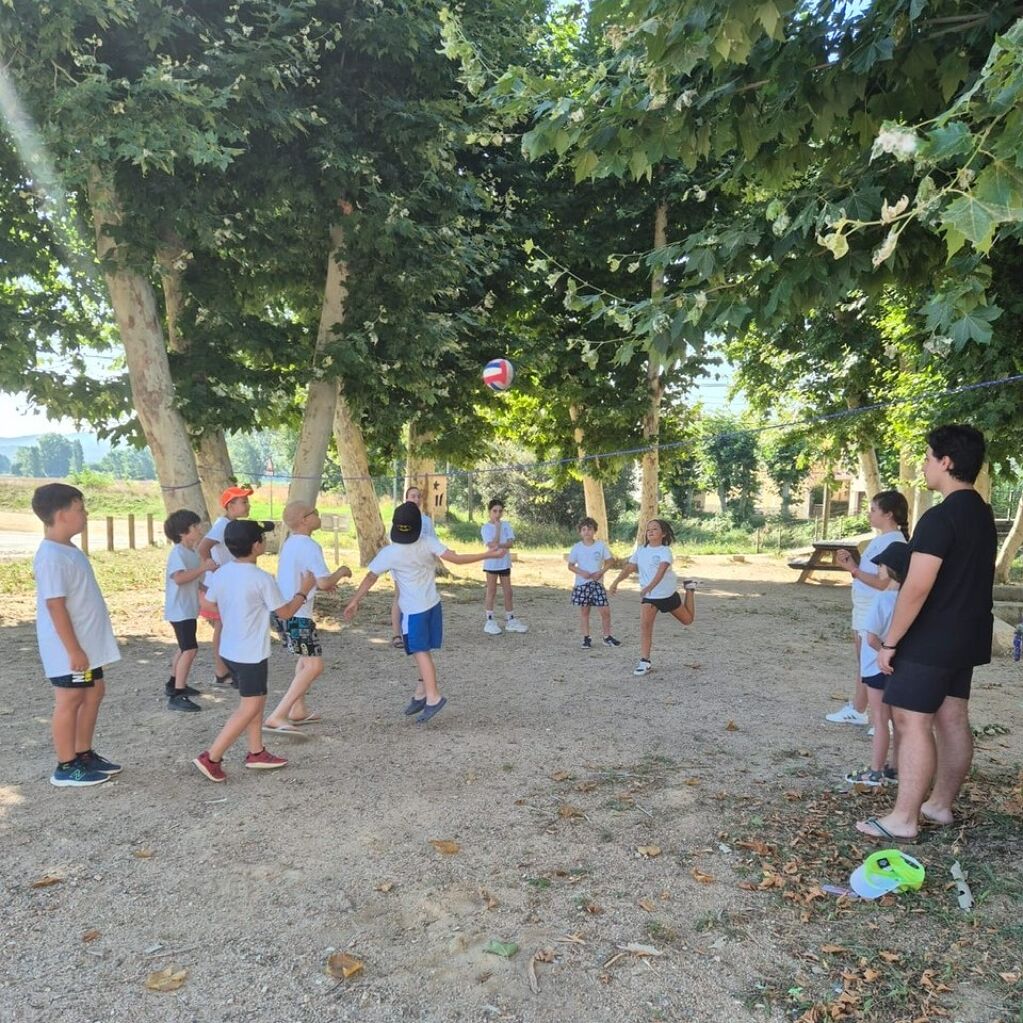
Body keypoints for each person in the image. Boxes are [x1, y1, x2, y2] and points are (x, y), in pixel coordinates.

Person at [855, 425, 996, 844]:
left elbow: (917, 586)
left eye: (929, 456)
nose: (924, 464)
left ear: (946, 462)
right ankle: (939, 805)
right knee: (952, 717)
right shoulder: (980, 512)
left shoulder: (941, 515)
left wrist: (892, 640)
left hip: (931, 637)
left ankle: (904, 818)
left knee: (909, 720)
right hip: (967, 634)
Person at [344, 502, 508, 724]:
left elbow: (370, 577)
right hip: (432, 606)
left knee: (419, 652)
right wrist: (487, 554)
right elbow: (457, 559)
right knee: (424, 652)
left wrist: (355, 601)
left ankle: (433, 697)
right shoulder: (428, 542)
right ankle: (421, 692)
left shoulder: (390, 552)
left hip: (413, 612)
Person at [192, 520, 315, 783]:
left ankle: (256, 751)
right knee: (250, 706)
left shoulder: (223, 573)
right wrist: (303, 591)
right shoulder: (261, 578)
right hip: (250, 654)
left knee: (255, 699)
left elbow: (210, 604)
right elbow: (284, 613)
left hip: (230, 650)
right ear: (257, 545)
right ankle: (211, 757)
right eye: (263, 537)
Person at [32, 483, 122, 787]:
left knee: (94, 692)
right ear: (61, 514)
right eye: (80, 509)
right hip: (70, 649)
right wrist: (73, 650)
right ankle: (65, 764)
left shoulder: (68, 549)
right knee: (70, 699)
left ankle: (84, 753)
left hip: (86, 645)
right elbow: (55, 606)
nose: (85, 514)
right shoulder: (51, 556)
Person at [264, 501, 352, 733]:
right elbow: (323, 581)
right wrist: (341, 572)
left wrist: (323, 582)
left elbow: (313, 579)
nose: (318, 515)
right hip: (298, 615)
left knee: (304, 660)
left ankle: (298, 709)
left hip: (284, 611)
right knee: (314, 666)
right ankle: (278, 714)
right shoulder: (310, 545)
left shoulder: (290, 543)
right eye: (314, 513)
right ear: (304, 520)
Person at [829, 491, 910, 727]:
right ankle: (859, 709)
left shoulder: (894, 542)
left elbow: (884, 582)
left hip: (873, 612)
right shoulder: (881, 539)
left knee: (876, 666)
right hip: (864, 609)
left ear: (888, 514)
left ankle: (883, 720)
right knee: (865, 663)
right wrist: (852, 564)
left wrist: (853, 569)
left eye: (873, 509)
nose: (869, 514)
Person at [843, 542, 910, 787]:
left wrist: (882, 653)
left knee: (880, 721)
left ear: (889, 569)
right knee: (898, 722)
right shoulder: (907, 600)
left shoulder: (882, 600)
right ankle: (895, 767)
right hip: (898, 667)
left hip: (875, 667)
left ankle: (875, 771)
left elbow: (870, 638)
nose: (878, 569)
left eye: (880, 565)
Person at [608, 519, 697, 676]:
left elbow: (661, 571)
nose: (650, 531)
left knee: (688, 620)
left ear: (663, 534)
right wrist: (616, 582)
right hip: (650, 598)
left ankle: (690, 589)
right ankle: (645, 661)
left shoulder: (664, 551)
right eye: (648, 529)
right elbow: (629, 567)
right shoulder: (641, 550)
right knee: (645, 626)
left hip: (667, 594)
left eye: (655, 529)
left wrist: (650, 586)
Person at [197, 484, 253, 686]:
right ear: (230, 506)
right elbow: (203, 547)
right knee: (224, 627)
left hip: (230, 583)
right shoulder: (222, 525)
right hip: (224, 585)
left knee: (227, 627)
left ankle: (225, 670)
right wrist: (212, 568)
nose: (248, 505)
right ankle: (222, 670)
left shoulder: (229, 525)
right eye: (244, 502)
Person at [163, 509, 217, 712]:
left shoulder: (191, 552)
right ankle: (178, 694)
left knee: (184, 647)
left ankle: (173, 683)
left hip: (187, 608)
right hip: (179, 610)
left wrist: (207, 589)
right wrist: (204, 568)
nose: (199, 529)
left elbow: (192, 580)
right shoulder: (178, 552)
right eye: (194, 527)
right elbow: (179, 578)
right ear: (182, 533)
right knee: (189, 649)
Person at [390, 485, 436, 649]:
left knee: (422, 597)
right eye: (412, 496)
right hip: (403, 564)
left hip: (422, 567)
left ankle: (419, 632)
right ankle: (397, 633)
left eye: (418, 496)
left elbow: (433, 543)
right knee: (400, 595)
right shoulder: (400, 516)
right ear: (406, 498)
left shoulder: (426, 521)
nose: (416, 499)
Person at [567, 516, 621, 649]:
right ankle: (586, 637)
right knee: (585, 612)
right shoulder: (577, 547)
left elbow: (610, 561)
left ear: (594, 531)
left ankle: (607, 636)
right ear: (580, 532)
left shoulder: (600, 546)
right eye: (584, 529)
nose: (587, 532)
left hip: (597, 583)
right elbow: (570, 565)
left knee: (605, 611)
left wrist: (601, 572)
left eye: (589, 529)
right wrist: (581, 572)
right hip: (582, 584)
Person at [481, 498, 527, 635]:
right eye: (495, 511)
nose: (498, 514)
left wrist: (500, 544)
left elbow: (510, 543)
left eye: (500, 511)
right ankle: (489, 620)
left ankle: (511, 619)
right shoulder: (485, 528)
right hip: (491, 563)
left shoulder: (507, 525)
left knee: (508, 591)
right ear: (489, 512)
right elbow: (492, 544)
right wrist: (497, 529)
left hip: (504, 562)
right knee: (492, 590)